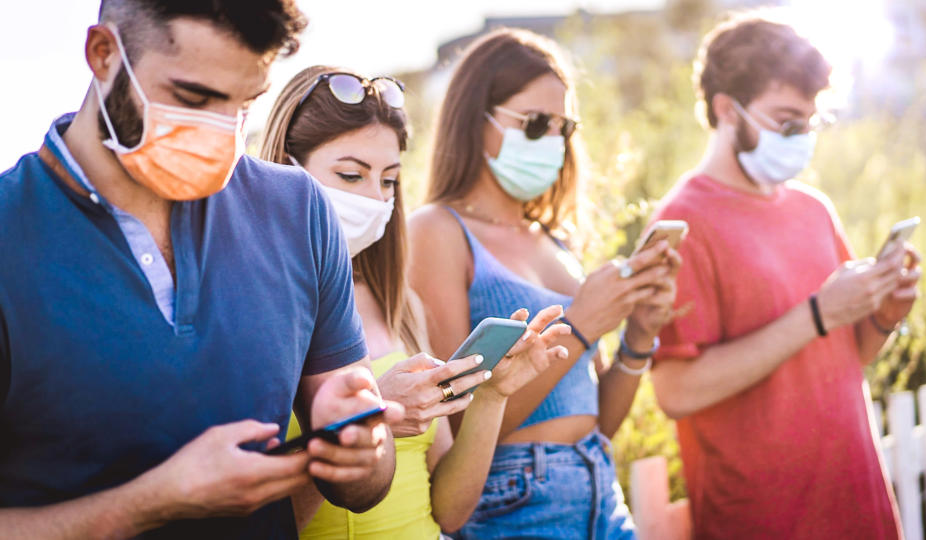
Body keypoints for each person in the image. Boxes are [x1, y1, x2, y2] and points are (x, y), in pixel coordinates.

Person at [0, 2, 404, 538]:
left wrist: (356, 447)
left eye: (244, 104)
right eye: (194, 99)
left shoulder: (298, 210)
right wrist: (150, 504)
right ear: (103, 54)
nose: (222, 133)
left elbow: (365, 487)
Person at [259, 65, 572, 539]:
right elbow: (251, 523)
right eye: (349, 174)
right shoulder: (252, 310)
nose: (373, 198)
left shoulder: (400, 306)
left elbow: (448, 511)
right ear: (284, 168)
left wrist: (491, 396)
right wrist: (363, 425)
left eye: (388, 181)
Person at [648, 13, 920, 538]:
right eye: (786, 121)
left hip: (858, 505)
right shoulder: (682, 223)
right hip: (763, 518)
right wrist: (817, 313)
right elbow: (675, 392)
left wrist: (884, 317)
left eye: (810, 123)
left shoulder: (812, 208)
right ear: (728, 109)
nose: (802, 138)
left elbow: (844, 353)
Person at [408, 29, 680, 539]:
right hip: (516, 505)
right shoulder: (437, 231)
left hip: (603, 494)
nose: (553, 141)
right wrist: (580, 326)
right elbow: (458, 426)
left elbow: (594, 421)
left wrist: (639, 334)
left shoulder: (556, 241)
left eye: (562, 127)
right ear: (476, 119)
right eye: (535, 124)